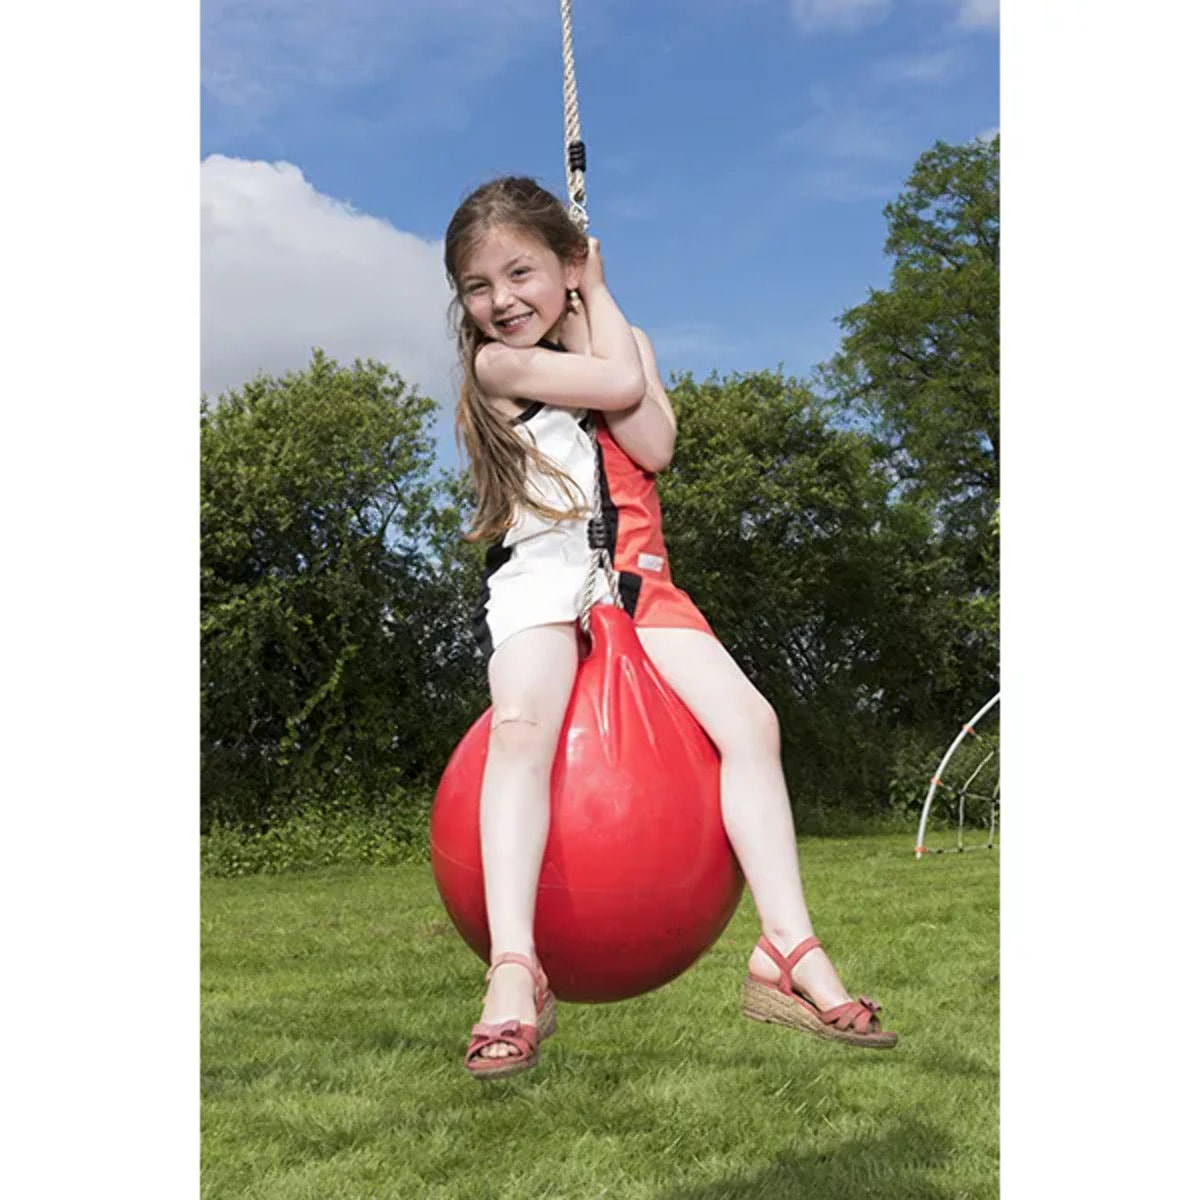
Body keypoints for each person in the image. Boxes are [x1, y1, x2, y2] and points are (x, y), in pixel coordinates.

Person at [444, 176, 897, 1079]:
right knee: (525, 729)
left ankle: (786, 949)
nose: (502, 301)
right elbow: (616, 385)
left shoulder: (625, 340)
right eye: (478, 286)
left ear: (565, 265)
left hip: (641, 585)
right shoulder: (500, 365)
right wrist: (596, 300)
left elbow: (653, 444)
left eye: (522, 272)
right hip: (543, 583)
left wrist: (601, 306)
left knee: (752, 726)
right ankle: (514, 967)